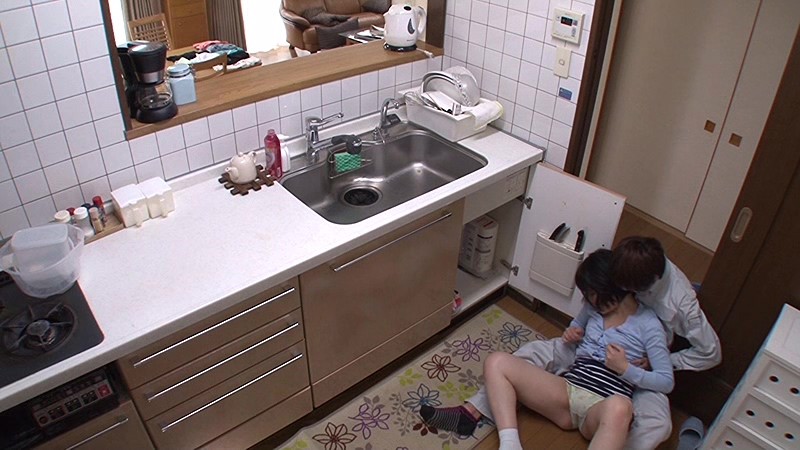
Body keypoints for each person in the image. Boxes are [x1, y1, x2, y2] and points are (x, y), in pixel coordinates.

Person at [420, 236, 722, 449]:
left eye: (600, 297)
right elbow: (579, 320)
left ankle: (611, 438)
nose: (594, 304)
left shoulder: (667, 311)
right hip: (572, 384)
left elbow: (688, 366)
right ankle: (484, 424)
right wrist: (573, 331)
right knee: (512, 357)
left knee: (644, 417)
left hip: (619, 386)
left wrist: (635, 367)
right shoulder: (615, 278)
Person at [486, 249, 673, 450]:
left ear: (610, 285)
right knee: (497, 361)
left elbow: (666, 382)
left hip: (602, 407)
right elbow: (576, 325)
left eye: (592, 293)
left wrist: (625, 368)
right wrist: (572, 332)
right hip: (568, 391)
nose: (591, 301)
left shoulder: (649, 324)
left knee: (621, 407)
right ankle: (510, 445)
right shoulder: (593, 309)